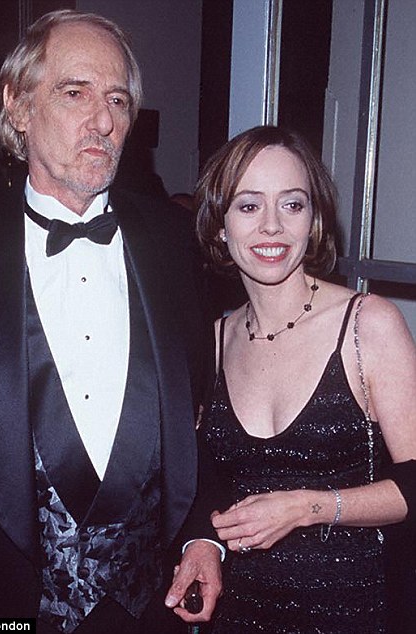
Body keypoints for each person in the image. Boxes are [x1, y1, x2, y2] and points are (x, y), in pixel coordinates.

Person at [0, 9, 222, 633]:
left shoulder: (174, 241)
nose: (103, 121)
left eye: (118, 100)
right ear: (17, 105)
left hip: (155, 608)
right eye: (76, 93)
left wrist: (203, 537)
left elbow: (202, 414)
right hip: (1, 608)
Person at [186, 125, 416, 633]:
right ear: (220, 225)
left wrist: (306, 507)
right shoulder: (213, 340)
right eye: (249, 206)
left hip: (353, 612)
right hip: (238, 612)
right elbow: (206, 482)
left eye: (292, 205)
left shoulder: (367, 324)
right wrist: (202, 543)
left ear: (312, 221)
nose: (272, 226)